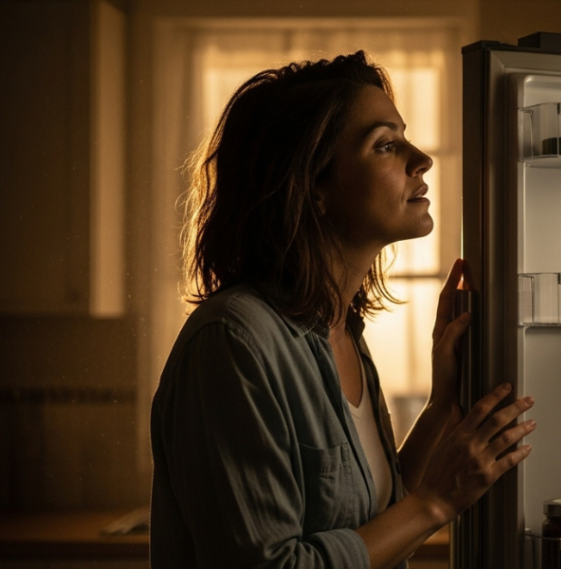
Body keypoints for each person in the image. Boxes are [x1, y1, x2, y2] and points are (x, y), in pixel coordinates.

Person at [149, 51, 536, 569]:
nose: (421, 158)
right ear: (313, 186)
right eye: (386, 145)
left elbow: (372, 529)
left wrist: (444, 403)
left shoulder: (341, 332)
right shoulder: (234, 342)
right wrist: (436, 503)